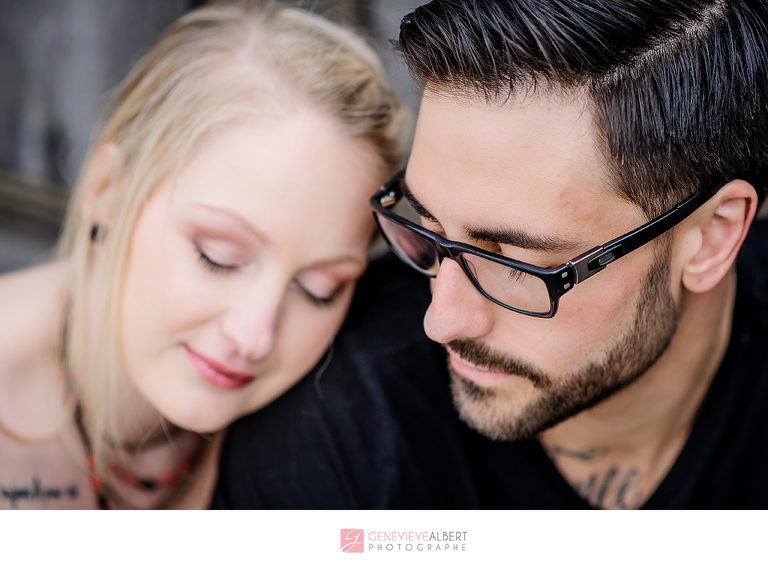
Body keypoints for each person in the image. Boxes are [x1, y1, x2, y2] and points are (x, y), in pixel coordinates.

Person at [213, 0, 768, 509]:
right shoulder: (334, 436)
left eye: (512, 262)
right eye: (428, 227)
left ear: (711, 238)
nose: (441, 320)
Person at [0, 0, 409, 509]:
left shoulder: (335, 431)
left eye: (319, 290)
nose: (254, 337)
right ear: (107, 191)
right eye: (218, 257)